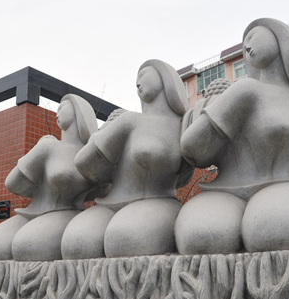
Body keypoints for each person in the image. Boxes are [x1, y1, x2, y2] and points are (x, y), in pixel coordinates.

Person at [176, 18, 289, 254]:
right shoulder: (246, 90)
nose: (246, 46)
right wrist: (212, 109)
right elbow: (192, 148)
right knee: (205, 235)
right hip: (228, 192)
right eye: (244, 44)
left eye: (252, 37)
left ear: (281, 39)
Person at [61, 60, 192, 259]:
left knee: (125, 239)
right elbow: (83, 162)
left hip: (156, 201)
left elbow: (186, 175)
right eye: (136, 80)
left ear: (165, 78)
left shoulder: (184, 125)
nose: (138, 83)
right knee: (76, 243)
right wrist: (107, 132)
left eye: (143, 75)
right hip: (108, 204)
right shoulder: (129, 120)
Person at [0, 94, 98, 261]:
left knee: (26, 246)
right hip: (31, 212)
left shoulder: (89, 154)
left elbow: (103, 189)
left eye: (62, 108)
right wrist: (36, 154)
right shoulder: (48, 146)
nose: (57, 113)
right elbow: (12, 183)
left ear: (79, 112)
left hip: (65, 211)